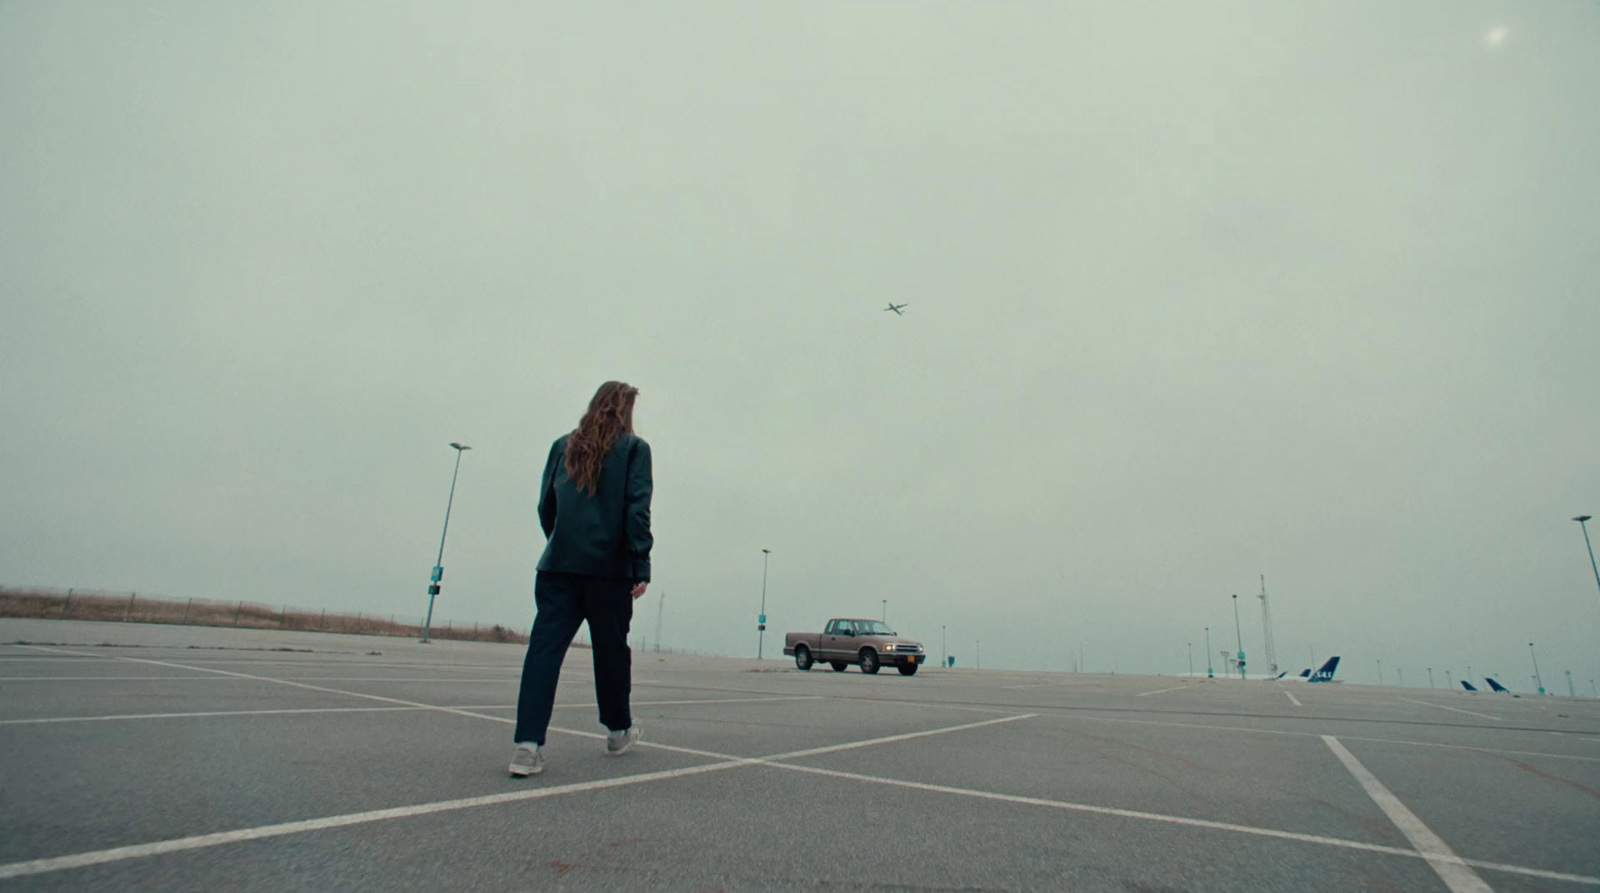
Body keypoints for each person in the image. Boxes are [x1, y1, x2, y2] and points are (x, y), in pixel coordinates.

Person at [510, 381, 652, 777]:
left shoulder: (562, 445)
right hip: (608, 572)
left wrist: (563, 545)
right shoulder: (635, 450)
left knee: (543, 653)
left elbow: (546, 506)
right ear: (625, 411)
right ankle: (617, 732)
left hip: (557, 568)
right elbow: (636, 511)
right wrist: (640, 565)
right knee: (610, 654)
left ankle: (527, 746)